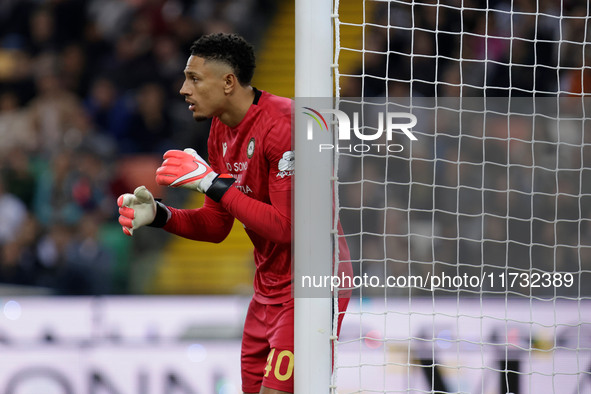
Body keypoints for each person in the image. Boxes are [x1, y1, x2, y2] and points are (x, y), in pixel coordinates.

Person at [117, 32, 351, 394]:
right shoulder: (220, 131)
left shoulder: (285, 125)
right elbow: (216, 225)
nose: (183, 89)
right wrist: (162, 216)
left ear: (228, 82)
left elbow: (288, 228)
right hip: (267, 289)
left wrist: (212, 183)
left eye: (194, 78)